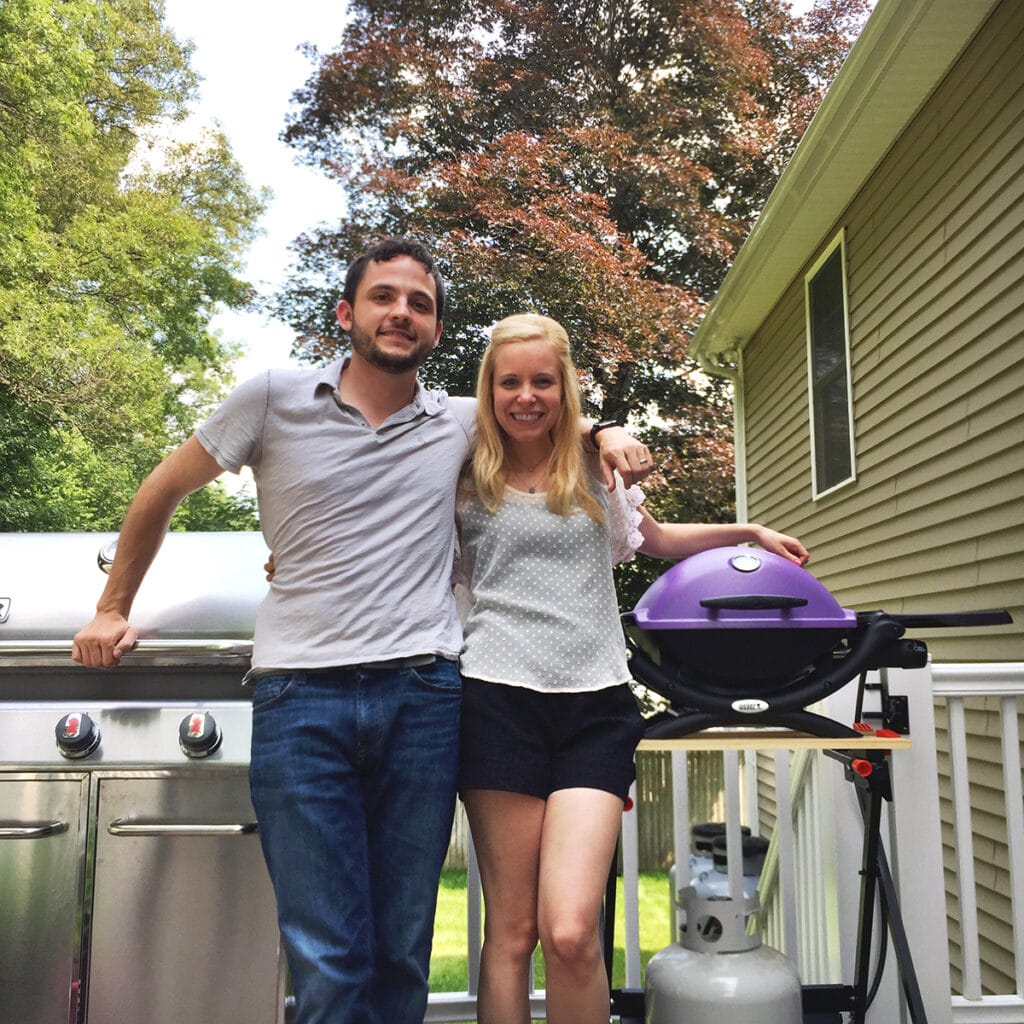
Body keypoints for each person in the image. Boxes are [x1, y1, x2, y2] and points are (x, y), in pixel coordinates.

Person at [70, 239, 652, 1024]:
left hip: (423, 696)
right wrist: (112, 607)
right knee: (331, 959)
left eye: (420, 302)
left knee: (401, 950)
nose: (401, 312)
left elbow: (546, 414)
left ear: (437, 330)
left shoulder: (459, 423)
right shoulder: (272, 398)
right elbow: (163, 490)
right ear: (349, 312)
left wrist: (608, 430)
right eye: (384, 296)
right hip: (300, 699)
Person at [455, 313, 808, 1024]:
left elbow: (653, 539)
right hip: (494, 700)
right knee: (514, 933)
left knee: (572, 931)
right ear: (490, 390)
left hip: (595, 705)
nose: (527, 395)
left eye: (543, 381)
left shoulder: (595, 466)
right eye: (510, 381)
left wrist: (746, 532)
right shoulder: (461, 469)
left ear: (567, 387)